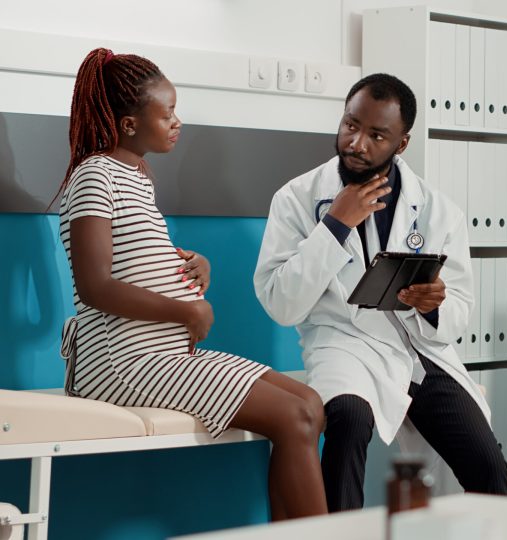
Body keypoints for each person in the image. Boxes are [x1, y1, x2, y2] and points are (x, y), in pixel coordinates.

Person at [56, 48, 327, 521]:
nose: (177, 122)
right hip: (122, 363)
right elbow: (95, 285)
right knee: (297, 415)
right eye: (167, 114)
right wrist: (186, 311)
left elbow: (130, 257)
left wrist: (187, 263)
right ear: (128, 125)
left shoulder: (138, 176)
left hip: (164, 355)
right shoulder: (94, 176)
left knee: (309, 403)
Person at [254, 73, 507, 511]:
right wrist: (335, 226)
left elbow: (458, 312)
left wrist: (434, 305)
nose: (357, 143)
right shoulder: (296, 199)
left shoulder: (437, 209)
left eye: (376, 135)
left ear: (402, 143)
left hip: (417, 350)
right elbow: (280, 302)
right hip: (343, 345)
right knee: (348, 420)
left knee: (487, 463)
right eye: (351, 125)